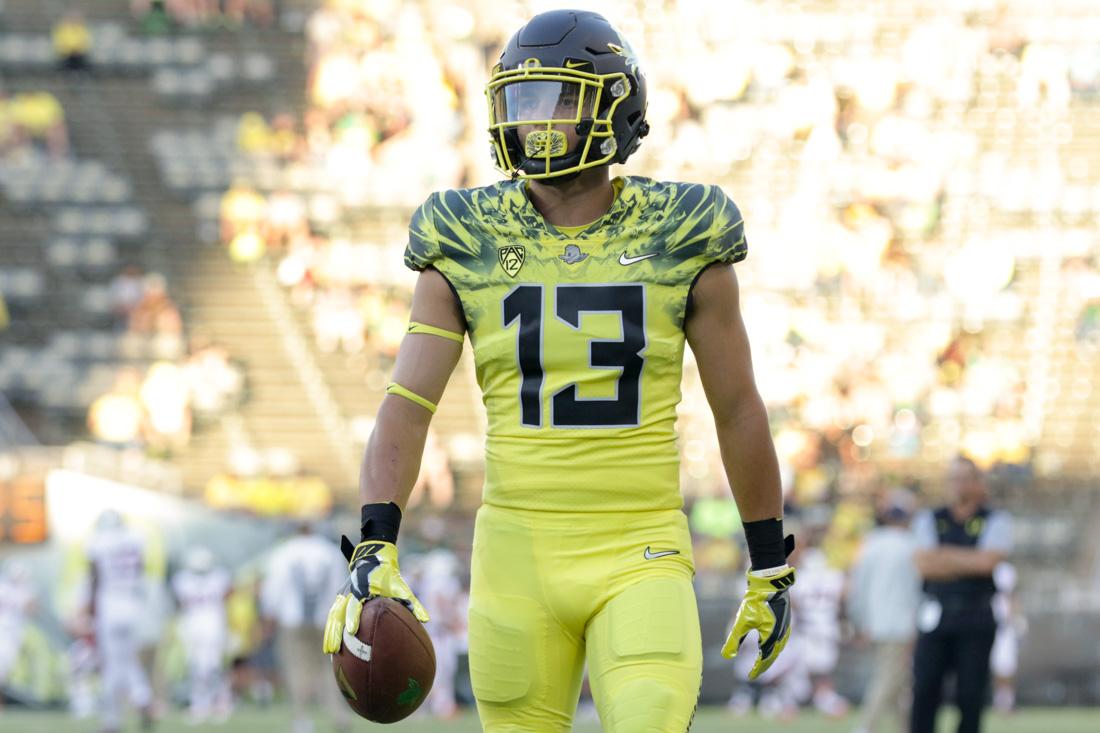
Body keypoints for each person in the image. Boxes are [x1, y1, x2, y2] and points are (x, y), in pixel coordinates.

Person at [322, 10, 795, 731]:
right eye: (523, 100)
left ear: (616, 106)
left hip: (641, 546)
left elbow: (738, 407)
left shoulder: (682, 231)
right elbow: (408, 401)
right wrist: (376, 540)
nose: (535, 121)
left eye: (558, 100)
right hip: (517, 553)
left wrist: (769, 557)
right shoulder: (465, 236)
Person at [910, 456, 1014, 733]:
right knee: (924, 689)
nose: (959, 485)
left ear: (979, 484)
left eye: (966, 478)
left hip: (976, 614)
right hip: (938, 612)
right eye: (954, 478)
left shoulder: (995, 519)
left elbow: (987, 563)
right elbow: (923, 564)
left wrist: (944, 557)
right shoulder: (930, 518)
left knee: (971, 693)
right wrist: (968, 561)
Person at [261, 523, 349, 733]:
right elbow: (342, 588)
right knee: (330, 669)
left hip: (293, 620)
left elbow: (273, 588)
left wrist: (269, 615)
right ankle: (338, 715)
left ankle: (302, 719)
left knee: (297, 669)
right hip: (325, 620)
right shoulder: (330, 552)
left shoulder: (284, 552)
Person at [848, 490, 922, 733]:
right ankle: (866, 726)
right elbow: (917, 591)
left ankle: (906, 727)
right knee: (888, 678)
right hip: (902, 624)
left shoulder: (871, 544)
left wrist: (859, 621)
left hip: (876, 622)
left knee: (899, 682)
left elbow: (858, 588)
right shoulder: (912, 546)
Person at [85, 509, 155, 733]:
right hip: (133, 604)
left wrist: (89, 608)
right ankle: (142, 697)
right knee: (126, 659)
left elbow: (94, 577)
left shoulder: (98, 542)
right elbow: (141, 569)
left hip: (110, 603)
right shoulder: (136, 538)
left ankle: (112, 721)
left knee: (113, 665)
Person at [172, 547, 233, 724]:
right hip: (204, 626)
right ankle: (208, 702)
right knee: (202, 667)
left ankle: (216, 701)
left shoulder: (186, 580)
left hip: (206, 626)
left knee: (208, 667)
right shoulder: (215, 577)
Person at [0, 559, 37, 709]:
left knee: (5, 668)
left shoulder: (23, 591)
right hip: (4, 632)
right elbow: (32, 609)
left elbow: (33, 610)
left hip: (13, 635)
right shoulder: (6, 589)